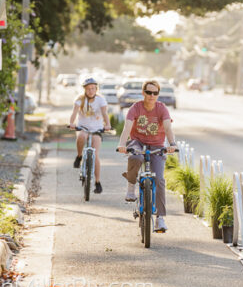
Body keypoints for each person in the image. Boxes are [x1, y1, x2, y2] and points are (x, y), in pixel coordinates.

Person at [117, 80, 177, 232]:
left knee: (159, 179)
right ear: (143, 93)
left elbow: (168, 127)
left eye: (155, 93)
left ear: (158, 94)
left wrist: (172, 144)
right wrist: (122, 144)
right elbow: (127, 127)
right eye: (149, 92)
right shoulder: (136, 107)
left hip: (157, 145)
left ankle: (160, 218)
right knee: (135, 157)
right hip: (138, 142)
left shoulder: (161, 108)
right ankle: (131, 187)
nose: (152, 96)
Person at [69, 78, 111, 194]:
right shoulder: (79, 100)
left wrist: (108, 125)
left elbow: (104, 113)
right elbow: (74, 113)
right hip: (83, 127)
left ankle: (97, 182)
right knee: (81, 136)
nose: (90, 91)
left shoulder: (101, 100)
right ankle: (79, 156)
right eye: (88, 89)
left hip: (97, 129)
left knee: (96, 155)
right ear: (84, 90)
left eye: (93, 88)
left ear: (96, 89)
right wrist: (72, 123)